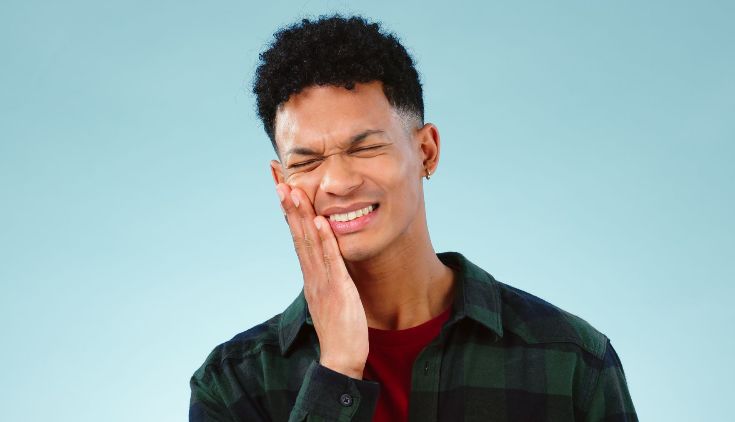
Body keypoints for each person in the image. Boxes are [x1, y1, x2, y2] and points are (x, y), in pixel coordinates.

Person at [189, 15, 637, 422]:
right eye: (306, 162)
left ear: (426, 151)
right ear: (280, 179)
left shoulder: (571, 360)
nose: (338, 182)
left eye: (365, 148)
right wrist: (339, 370)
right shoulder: (232, 386)